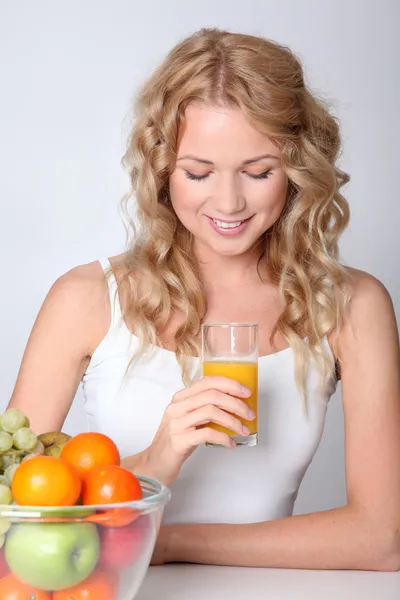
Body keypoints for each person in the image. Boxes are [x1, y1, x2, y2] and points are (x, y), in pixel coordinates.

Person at [7, 28, 400, 571]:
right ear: (163, 168)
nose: (229, 201)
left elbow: (382, 539)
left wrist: (164, 542)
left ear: (298, 169)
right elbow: (12, 516)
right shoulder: (86, 298)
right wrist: (157, 460)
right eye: (198, 172)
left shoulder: (353, 305)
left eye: (259, 172)